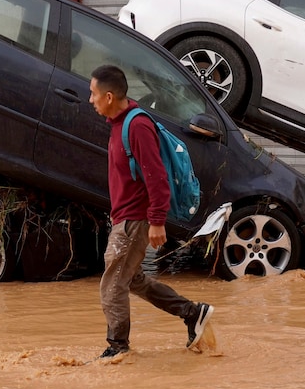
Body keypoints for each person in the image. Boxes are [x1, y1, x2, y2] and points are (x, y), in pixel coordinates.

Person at [87, 63, 213, 360]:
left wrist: (157, 221)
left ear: (108, 96)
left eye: (92, 94)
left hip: (135, 220)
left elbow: (156, 177)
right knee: (131, 280)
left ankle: (117, 348)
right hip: (125, 218)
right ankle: (193, 313)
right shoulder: (118, 124)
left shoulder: (137, 125)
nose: (89, 100)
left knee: (113, 283)